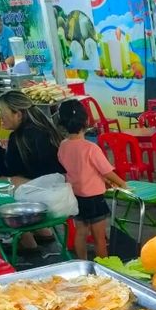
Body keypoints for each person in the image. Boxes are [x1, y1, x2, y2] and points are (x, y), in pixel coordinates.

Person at [58, 99, 127, 260]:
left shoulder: (63, 145)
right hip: (94, 198)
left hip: (76, 196)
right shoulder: (90, 148)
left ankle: (82, 263)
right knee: (99, 238)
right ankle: (104, 267)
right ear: (86, 121)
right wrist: (123, 184)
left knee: (81, 232)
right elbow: (107, 171)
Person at [0, 90, 64, 250]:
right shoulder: (45, 127)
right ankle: (43, 231)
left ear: (18, 114)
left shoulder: (20, 138)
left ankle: (26, 240)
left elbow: (10, 170)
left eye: (2, 112)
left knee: (0, 184)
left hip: (48, 195)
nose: (0, 117)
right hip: (61, 187)